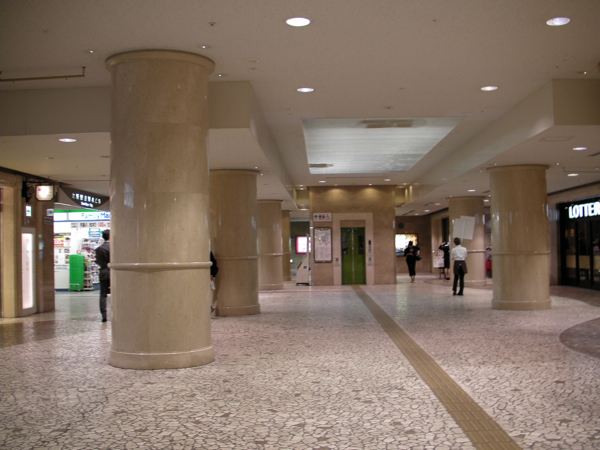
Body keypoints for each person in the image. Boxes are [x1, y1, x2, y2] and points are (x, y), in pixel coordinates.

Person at [95, 230, 111, 322]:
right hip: (113, 273)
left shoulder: (98, 249)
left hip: (103, 272)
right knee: (117, 293)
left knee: (103, 294)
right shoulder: (113, 248)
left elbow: (98, 261)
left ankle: (104, 315)